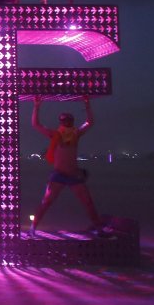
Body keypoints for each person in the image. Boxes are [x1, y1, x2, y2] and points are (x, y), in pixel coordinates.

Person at [30, 96, 105, 236]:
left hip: (73, 175)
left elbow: (90, 122)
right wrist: (36, 106)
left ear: (72, 121)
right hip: (58, 174)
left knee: (88, 203)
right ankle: (33, 228)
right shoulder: (56, 134)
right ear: (61, 122)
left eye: (69, 120)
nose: (67, 122)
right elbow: (36, 125)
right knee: (46, 203)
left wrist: (87, 105)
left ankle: (98, 228)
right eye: (64, 120)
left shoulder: (76, 134)